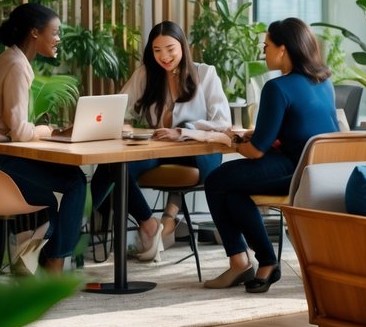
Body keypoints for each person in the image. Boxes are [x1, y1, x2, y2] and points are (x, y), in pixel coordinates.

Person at [203, 17, 338, 293]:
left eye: (266, 46)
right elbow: (300, 126)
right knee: (233, 192)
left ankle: (247, 262)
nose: (263, 52)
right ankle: (261, 263)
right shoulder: (323, 82)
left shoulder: (277, 87)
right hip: (322, 170)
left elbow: (256, 151)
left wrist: (232, 141)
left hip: (294, 170)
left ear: (283, 49)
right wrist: (257, 134)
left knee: (216, 180)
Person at [89, 21, 230, 262]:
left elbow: (222, 123)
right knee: (112, 166)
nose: (164, 56)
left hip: (197, 151)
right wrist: (122, 125)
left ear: (183, 46)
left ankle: (168, 215)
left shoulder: (205, 74)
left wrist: (184, 131)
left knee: (117, 169)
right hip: (159, 149)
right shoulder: (146, 74)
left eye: (170, 49)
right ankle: (147, 224)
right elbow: (119, 108)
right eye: (157, 50)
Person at [0, 3, 87, 274]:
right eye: (55, 32)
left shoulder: (10, 59)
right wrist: (50, 131)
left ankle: (38, 257)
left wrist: (48, 131)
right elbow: (19, 130)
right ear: (35, 33)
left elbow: (13, 127)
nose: (58, 39)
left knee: (54, 196)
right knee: (75, 182)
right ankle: (53, 262)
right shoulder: (17, 65)